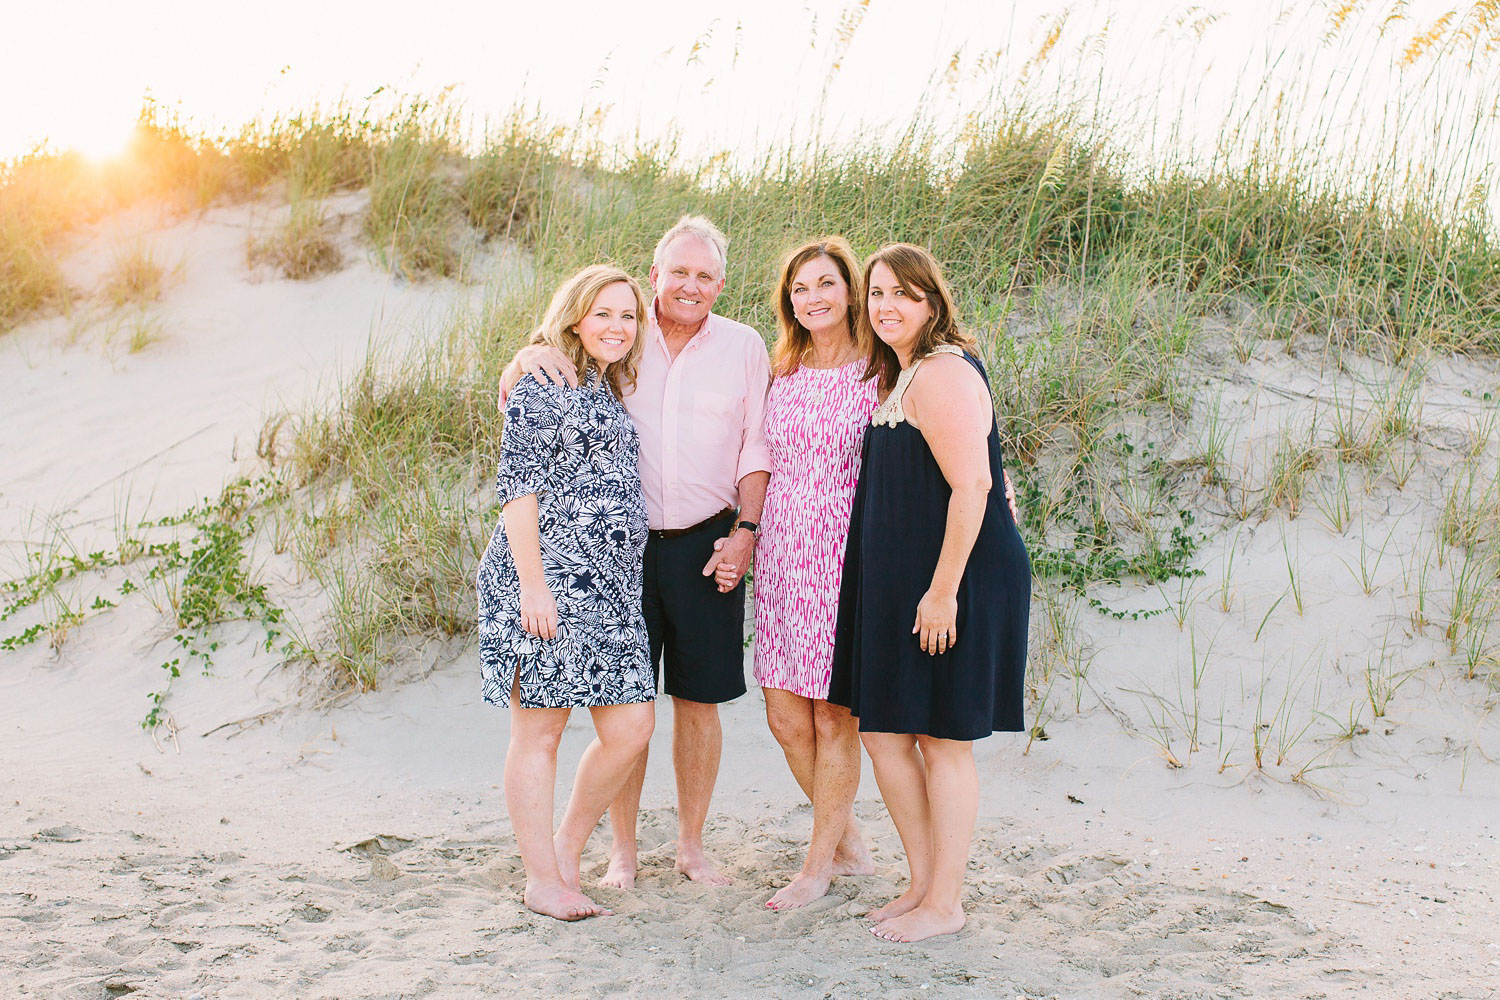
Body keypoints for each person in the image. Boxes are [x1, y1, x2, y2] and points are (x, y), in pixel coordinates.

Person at [501, 216, 771, 887]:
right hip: (615, 554)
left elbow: (757, 446)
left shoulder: (743, 347)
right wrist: (521, 356)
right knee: (625, 701)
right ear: (656, 275)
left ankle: (691, 845)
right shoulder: (622, 334)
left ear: (721, 283)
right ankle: (621, 851)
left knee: (699, 703)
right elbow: (541, 386)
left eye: (705, 275)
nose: (690, 284)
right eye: (678, 271)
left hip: (708, 545)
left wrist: (746, 530)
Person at [828, 243, 1031, 943]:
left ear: (932, 303)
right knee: (885, 731)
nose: (887, 306)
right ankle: (921, 882)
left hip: (956, 579)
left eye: (903, 295)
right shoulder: (904, 373)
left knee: (944, 741)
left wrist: (943, 591)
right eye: (877, 293)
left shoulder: (941, 373)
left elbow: (973, 486)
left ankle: (946, 902)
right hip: (903, 583)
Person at [476, 264, 657, 921]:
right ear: (575, 317)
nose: (616, 326)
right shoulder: (541, 382)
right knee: (541, 732)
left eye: (628, 315)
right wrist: (533, 587)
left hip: (610, 592)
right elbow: (516, 488)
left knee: (633, 724)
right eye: (603, 313)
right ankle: (542, 880)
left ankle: (564, 845)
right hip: (544, 581)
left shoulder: (609, 386)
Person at [736, 236, 878, 910]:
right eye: (799, 289)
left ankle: (818, 866)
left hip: (849, 561)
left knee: (834, 720)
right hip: (783, 560)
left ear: (850, 290)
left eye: (825, 284)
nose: (812, 298)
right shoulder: (781, 368)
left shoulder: (882, 372)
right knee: (785, 718)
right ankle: (848, 840)